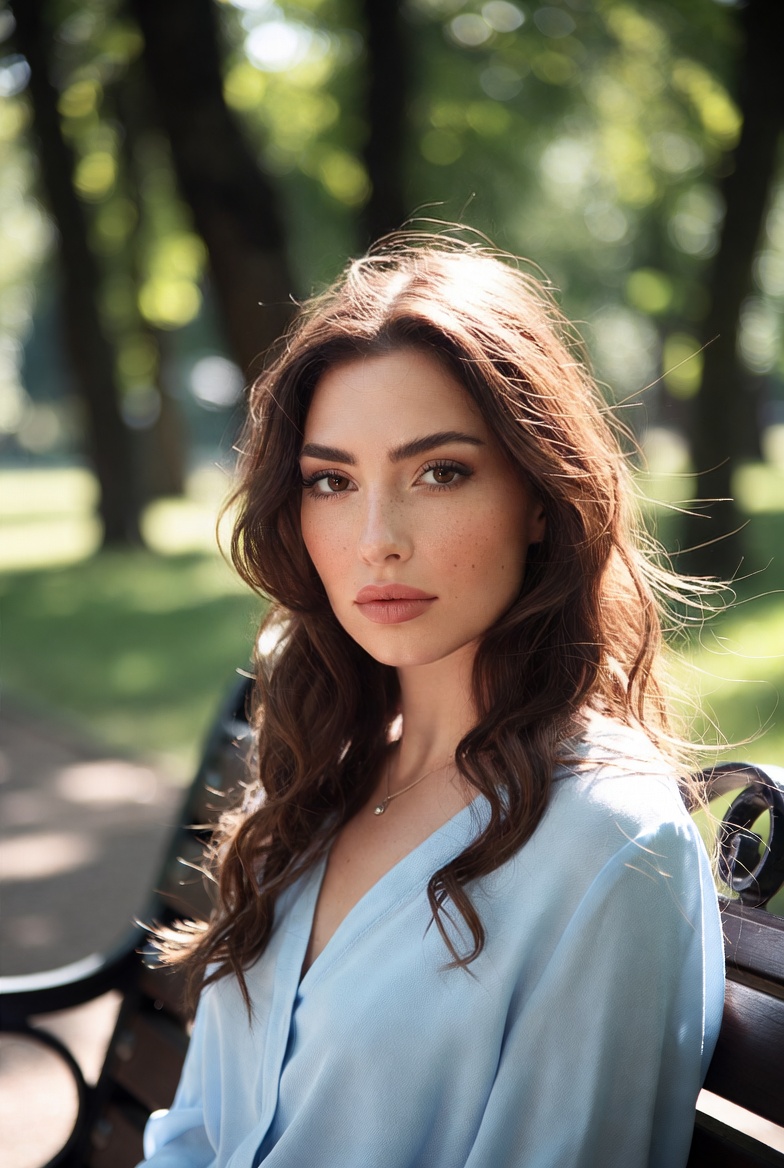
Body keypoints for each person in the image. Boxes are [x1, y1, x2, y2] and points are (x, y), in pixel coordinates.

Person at [140, 236, 725, 1167]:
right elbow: (197, 1134)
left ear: (542, 498)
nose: (377, 539)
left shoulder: (608, 842)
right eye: (332, 482)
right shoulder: (316, 781)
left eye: (440, 471)